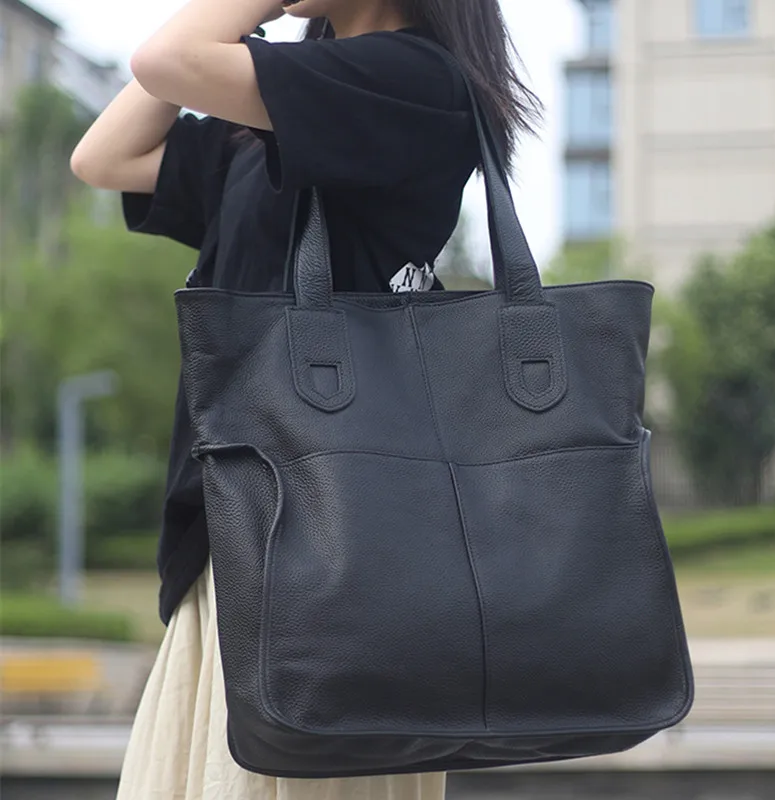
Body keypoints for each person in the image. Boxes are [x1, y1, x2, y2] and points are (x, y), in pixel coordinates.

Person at [71, 0, 542, 797]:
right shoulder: (285, 111)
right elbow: (105, 156)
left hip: (331, 565)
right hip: (235, 536)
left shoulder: (410, 79)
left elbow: (165, 60)